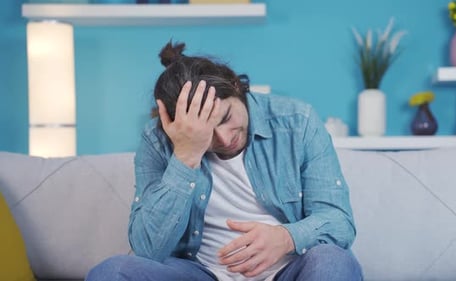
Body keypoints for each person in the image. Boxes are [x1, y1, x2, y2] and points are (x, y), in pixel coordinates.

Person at [85, 41, 363, 281]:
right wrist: (186, 155)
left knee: (334, 261)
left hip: (287, 271)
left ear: (235, 86)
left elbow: (339, 223)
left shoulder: (297, 121)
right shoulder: (158, 140)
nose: (223, 138)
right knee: (112, 272)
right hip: (201, 272)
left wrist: (286, 237)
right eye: (206, 132)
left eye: (227, 118)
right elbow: (148, 249)